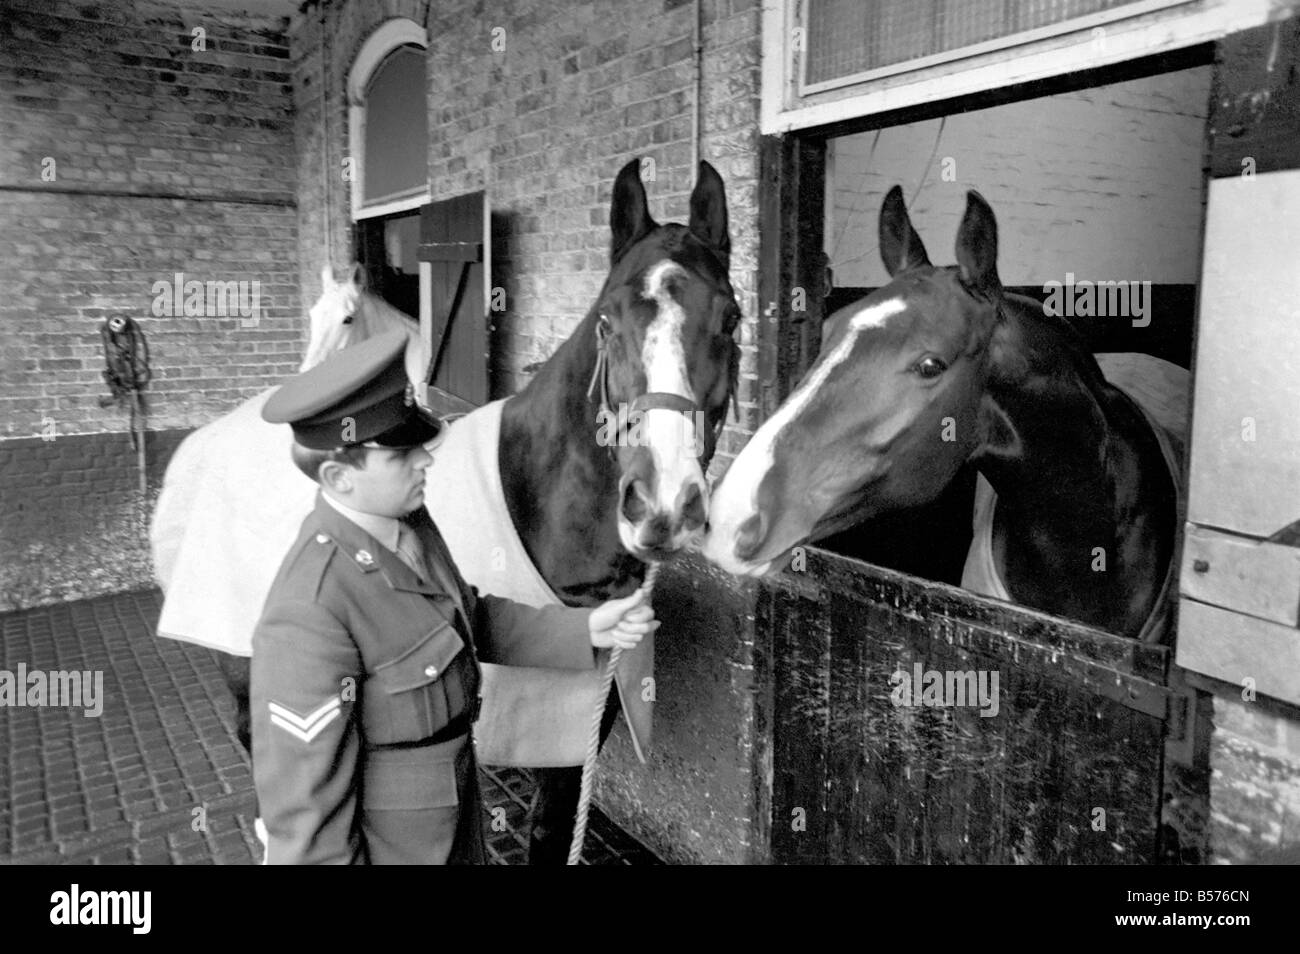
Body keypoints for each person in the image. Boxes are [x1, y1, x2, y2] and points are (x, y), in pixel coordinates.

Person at [251, 329, 657, 864]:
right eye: (400, 455)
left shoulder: (410, 525)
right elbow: (306, 819)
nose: (426, 460)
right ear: (338, 476)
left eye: (418, 444)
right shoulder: (310, 607)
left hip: (455, 819)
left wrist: (586, 627)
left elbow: (468, 618)